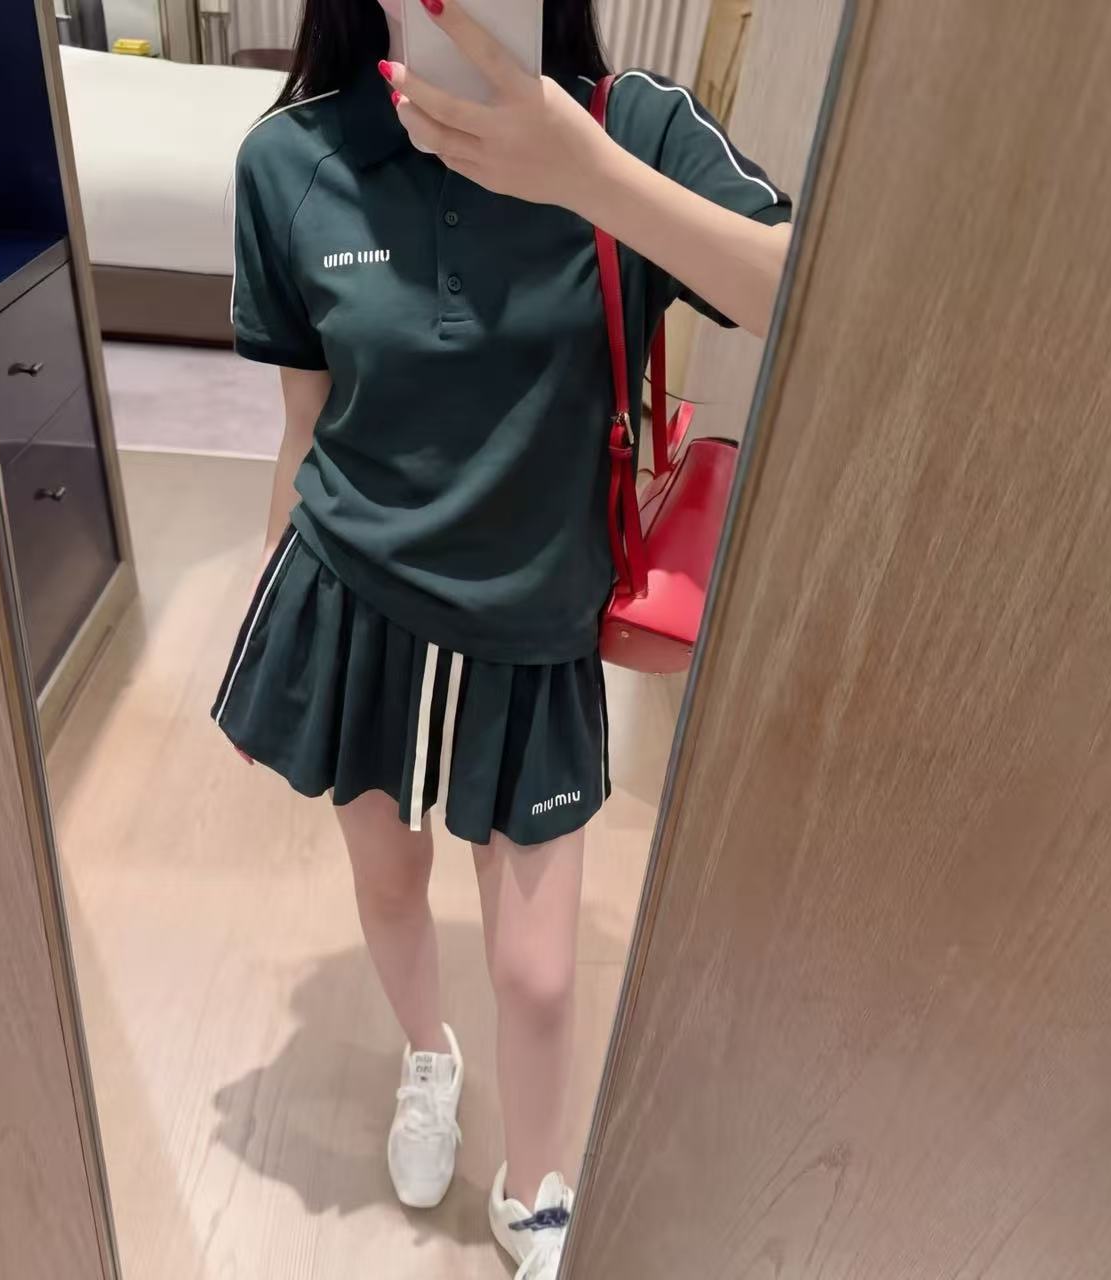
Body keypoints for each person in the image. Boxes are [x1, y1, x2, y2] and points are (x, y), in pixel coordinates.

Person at [211, 1, 790, 1275]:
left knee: (535, 972)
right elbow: (303, 429)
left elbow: (809, 293)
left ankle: (535, 1189)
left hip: (536, 630)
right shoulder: (290, 161)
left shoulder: (631, 128)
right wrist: (266, 640)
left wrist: (587, 175)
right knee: (388, 884)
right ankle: (428, 1056)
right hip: (352, 606)